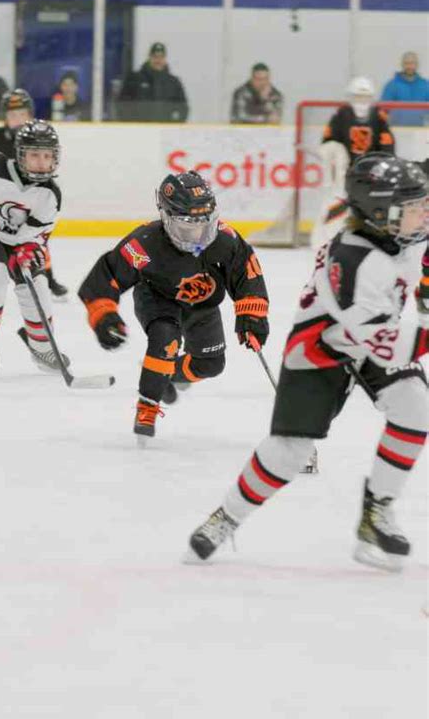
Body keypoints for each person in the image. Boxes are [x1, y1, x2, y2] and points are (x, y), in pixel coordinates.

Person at [187, 152, 428, 572]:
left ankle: (377, 514)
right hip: (323, 344)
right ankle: (225, 516)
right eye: (413, 209)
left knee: (415, 405)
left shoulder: (400, 228)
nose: (422, 215)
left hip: (374, 328)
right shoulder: (354, 261)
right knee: (289, 452)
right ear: (380, 213)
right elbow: (386, 344)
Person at [78, 170, 269, 439]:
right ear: (166, 218)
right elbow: (108, 274)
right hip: (158, 298)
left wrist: (253, 314)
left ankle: (166, 373)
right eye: (187, 228)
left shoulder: (226, 240)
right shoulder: (145, 243)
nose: (198, 237)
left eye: (204, 225)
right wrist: (103, 314)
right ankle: (148, 404)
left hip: (202, 306)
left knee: (211, 364)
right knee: (164, 339)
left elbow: (247, 274)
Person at [0, 120, 69, 374]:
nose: (41, 162)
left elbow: (39, 234)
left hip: (18, 239)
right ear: (20, 155)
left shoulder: (50, 193)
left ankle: (41, 348)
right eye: (34, 155)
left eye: (47, 156)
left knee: (37, 285)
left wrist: (28, 249)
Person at [0, 89, 69, 301]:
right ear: (4, 117)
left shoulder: (36, 137)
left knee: (35, 237)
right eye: (12, 114)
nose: (17, 119)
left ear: (31, 115)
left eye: (22, 114)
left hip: (26, 199)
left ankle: (46, 278)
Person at [311, 76, 395, 248]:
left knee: (373, 208)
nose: (361, 101)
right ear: (350, 97)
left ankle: (370, 240)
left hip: (370, 176)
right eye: (357, 97)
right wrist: (334, 156)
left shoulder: (379, 117)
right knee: (336, 205)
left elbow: (387, 146)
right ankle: (326, 241)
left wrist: (380, 168)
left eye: (365, 97)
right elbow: (327, 142)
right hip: (344, 174)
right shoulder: (341, 115)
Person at [117, 42, 188, 123]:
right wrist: (131, 124)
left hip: (163, 131)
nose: (158, 60)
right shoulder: (134, 79)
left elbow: (183, 108)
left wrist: (172, 125)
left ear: (165, 59)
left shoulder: (174, 82)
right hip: (139, 130)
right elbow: (122, 104)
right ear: (149, 57)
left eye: (161, 57)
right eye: (155, 56)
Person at [381, 52, 429, 126]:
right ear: (402, 64)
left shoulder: (426, 85)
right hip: (397, 130)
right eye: (407, 63)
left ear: (417, 65)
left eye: (412, 63)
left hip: (421, 130)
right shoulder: (391, 86)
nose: (409, 66)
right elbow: (383, 111)